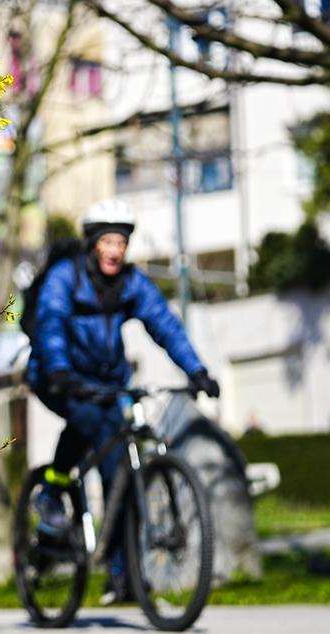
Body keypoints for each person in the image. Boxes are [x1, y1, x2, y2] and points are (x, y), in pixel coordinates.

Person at [25, 198, 220, 605]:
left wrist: (197, 371)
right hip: (56, 375)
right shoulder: (65, 277)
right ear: (93, 243)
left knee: (120, 471)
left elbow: (164, 324)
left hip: (107, 382)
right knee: (89, 422)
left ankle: (124, 578)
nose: (115, 251)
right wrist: (59, 371)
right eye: (108, 242)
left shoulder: (131, 283)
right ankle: (51, 492)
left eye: (121, 243)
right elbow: (50, 324)